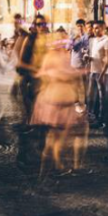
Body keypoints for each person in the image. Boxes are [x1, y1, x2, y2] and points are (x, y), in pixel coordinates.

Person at [31, 36, 87, 176]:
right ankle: (55, 167)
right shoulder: (55, 57)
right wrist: (75, 74)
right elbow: (60, 75)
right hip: (60, 102)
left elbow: (42, 76)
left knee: (54, 137)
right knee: (58, 138)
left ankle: (50, 167)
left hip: (53, 101)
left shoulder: (50, 57)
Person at [87, 21, 108, 127]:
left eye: (97, 28)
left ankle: (103, 120)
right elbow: (96, 56)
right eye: (94, 28)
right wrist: (89, 58)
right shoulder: (93, 40)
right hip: (93, 71)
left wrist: (102, 74)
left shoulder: (106, 41)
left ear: (103, 29)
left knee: (103, 97)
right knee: (92, 97)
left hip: (102, 73)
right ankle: (93, 118)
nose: (94, 30)